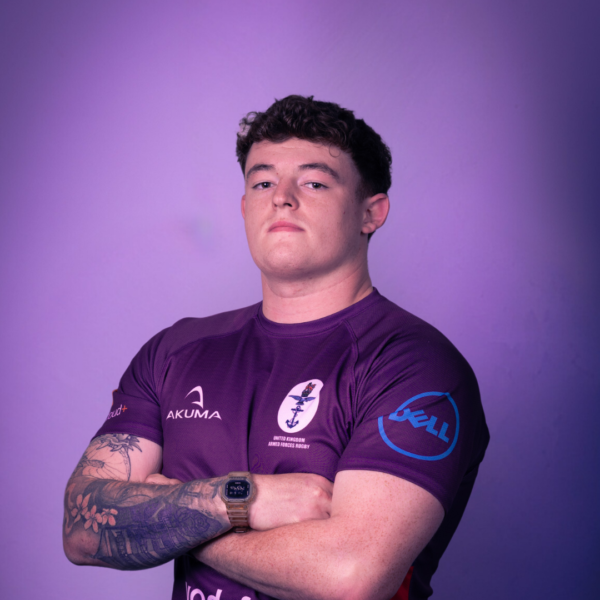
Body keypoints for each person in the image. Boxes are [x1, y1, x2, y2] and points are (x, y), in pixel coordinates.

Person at [63, 95, 489, 600]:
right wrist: (245, 497)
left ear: (370, 213)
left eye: (314, 182)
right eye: (263, 182)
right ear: (246, 208)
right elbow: (82, 528)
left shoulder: (415, 365)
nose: (281, 198)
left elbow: (349, 576)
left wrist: (179, 514)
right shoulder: (174, 351)